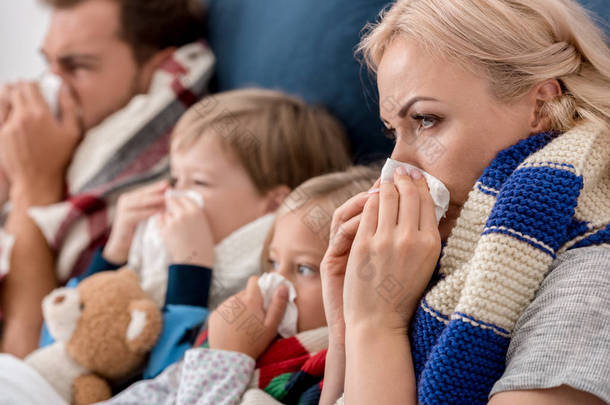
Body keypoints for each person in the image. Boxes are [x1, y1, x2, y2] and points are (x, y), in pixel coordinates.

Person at [319, 0, 610, 404]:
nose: (398, 165)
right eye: (393, 132)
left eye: (425, 120)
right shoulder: (451, 258)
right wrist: (346, 326)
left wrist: (377, 324)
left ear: (540, 106)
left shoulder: (595, 277)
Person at [64, 88, 352, 381]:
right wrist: (116, 251)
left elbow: (168, 383)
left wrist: (191, 270)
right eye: (175, 179)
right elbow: (65, 331)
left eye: (199, 182)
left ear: (274, 204)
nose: (175, 195)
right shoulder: (155, 251)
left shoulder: (267, 279)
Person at [0, 0, 212, 357]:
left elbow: (22, 364)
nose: (52, 88)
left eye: (78, 67)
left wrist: (33, 186)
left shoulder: (152, 180)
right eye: (47, 64)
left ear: (156, 68)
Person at [98, 166, 379, 405]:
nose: (276, 282)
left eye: (304, 268)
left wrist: (227, 357)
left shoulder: (331, 376)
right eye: (272, 262)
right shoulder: (235, 331)